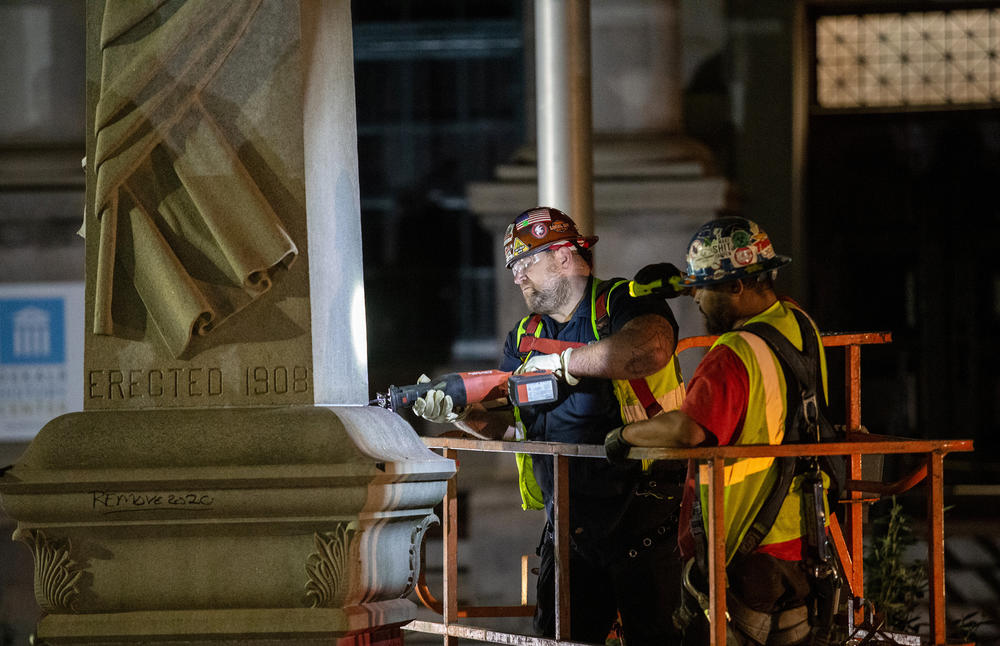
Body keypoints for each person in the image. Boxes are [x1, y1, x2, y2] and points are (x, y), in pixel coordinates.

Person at [413, 206, 687, 645]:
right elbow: (504, 423)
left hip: (648, 518)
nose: (517, 276)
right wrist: (458, 413)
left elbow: (649, 350)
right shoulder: (523, 337)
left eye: (525, 262)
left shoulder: (621, 300)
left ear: (562, 256)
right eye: (513, 267)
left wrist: (565, 364)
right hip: (570, 529)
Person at [604, 215, 838, 646]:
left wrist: (623, 438)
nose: (695, 301)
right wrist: (683, 282)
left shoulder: (733, 352)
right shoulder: (800, 325)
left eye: (704, 289)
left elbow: (688, 431)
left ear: (736, 287)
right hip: (803, 538)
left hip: (746, 546)